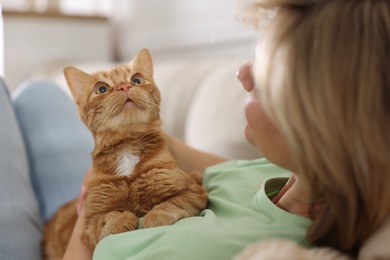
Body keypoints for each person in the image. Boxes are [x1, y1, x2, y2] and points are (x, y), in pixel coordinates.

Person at [61, 0, 390, 259]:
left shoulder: (258, 245)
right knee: (40, 99)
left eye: (262, 71)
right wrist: (118, 138)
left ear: (318, 112)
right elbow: (188, 157)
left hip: (76, 235)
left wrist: (90, 211)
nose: (241, 75)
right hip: (102, 179)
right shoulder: (269, 171)